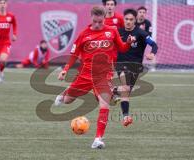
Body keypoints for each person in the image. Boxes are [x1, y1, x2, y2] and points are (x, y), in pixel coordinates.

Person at [54, 6, 135, 149]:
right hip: (85, 75)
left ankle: (98, 139)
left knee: (105, 105)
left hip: (103, 76)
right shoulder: (83, 34)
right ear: (91, 18)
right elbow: (74, 54)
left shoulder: (112, 31)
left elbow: (122, 48)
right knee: (67, 101)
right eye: (95, 21)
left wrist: (128, 42)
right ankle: (64, 93)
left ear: (104, 19)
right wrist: (65, 70)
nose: (97, 24)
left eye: (100, 21)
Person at [116, 8, 158, 126]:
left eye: (131, 19)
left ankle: (112, 90)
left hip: (136, 66)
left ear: (135, 21)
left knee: (126, 91)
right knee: (125, 87)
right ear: (123, 20)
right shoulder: (118, 32)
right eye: (126, 19)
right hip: (120, 64)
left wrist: (152, 53)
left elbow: (154, 44)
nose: (128, 21)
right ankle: (126, 117)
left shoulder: (140, 33)